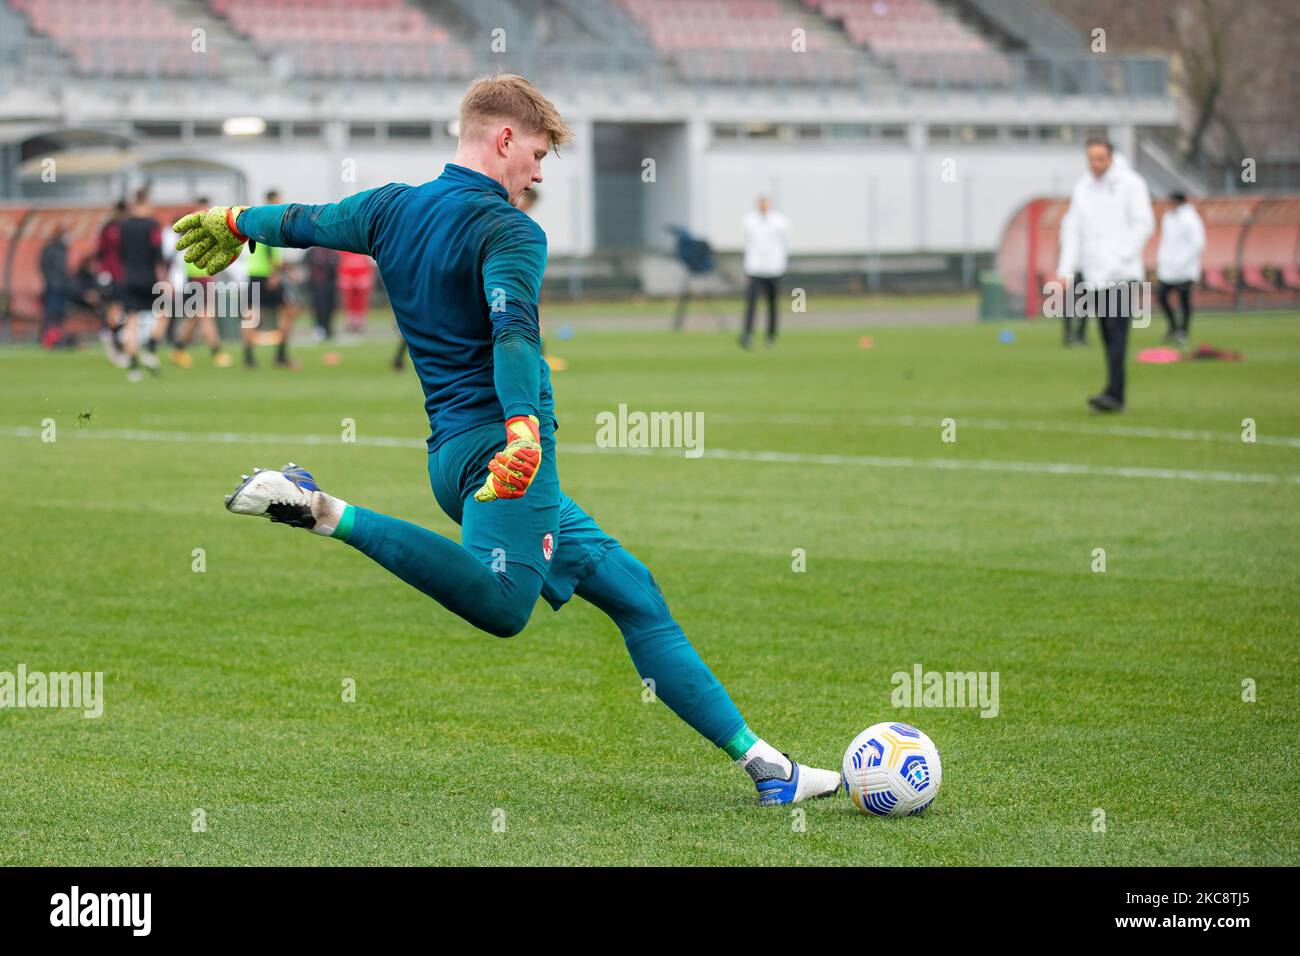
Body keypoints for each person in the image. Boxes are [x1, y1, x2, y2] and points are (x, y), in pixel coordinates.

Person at [173, 73, 841, 807]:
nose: (538, 172)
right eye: (538, 154)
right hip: (506, 454)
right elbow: (514, 328)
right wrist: (523, 426)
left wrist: (237, 219)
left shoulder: (391, 208)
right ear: (503, 140)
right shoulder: (510, 230)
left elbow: (306, 219)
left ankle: (767, 767)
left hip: (454, 454)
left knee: (635, 593)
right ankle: (321, 508)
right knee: (502, 605)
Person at [1054, 139, 1154, 413]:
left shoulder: (1131, 184)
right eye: (1091, 159)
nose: (1095, 164)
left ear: (1111, 157)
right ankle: (1113, 390)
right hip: (1095, 274)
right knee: (1107, 335)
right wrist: (1065, 269)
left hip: (1122, 274)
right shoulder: (1083, 188)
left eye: (1100, 158)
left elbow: (1143, 224)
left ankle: (1115, 393)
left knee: (1117, 332)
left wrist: (1121, 256)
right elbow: (1071, 229)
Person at [164, 196, 232, 368]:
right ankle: (217, 353)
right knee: (206, 316)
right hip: (199, 277)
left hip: (199, 277)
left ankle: (178, 351)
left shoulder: (198, 226)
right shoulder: (198, 227)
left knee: (194, 318)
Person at [118, 186, 167, 382]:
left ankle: (134, 368)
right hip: (149, 278)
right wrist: (163, 280)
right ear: (146, 202)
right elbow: (158, 256)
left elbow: (121, 252)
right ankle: (150, 348)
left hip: (129, 278)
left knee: (131, 321)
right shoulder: (152, 225)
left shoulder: (124, 226)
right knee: (165, 312)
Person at [1155, 192, 1205, 347]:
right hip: (1168, 269)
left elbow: (1198, 244)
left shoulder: (1191, 219)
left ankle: (1183, 331)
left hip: (1185, 269)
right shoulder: (1168, 218)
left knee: (1184, 301)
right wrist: (1163, 260)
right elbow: (1166, 241)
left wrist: (1182, 262)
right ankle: (1173, 327)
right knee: (1161, 296)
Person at [740, 195, 789, 349]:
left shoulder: (780, 221)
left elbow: (786, 241)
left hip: (773, 267)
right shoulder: (749, 220)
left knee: (772, 303)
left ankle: (771, 336)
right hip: (755, 267)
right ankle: (748, 334)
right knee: (751, 303)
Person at [39, 226, 72, 349]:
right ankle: (48, 339)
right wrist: (52, 281)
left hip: (63, 286)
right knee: (52, 313)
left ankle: (59, 338)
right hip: (53, 287)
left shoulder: (63, 250)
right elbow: (44, 267)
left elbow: (64, 270)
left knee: (61, 314)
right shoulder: (50, 248)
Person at [304, 245, 340, 342]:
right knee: (319, 307)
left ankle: (328, 328)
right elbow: (307, 263)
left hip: (330, 284)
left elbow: (335, 266)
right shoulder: (313, 252)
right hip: (317, 285)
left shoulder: (331, 251)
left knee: (330, 307)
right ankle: (319, 327)